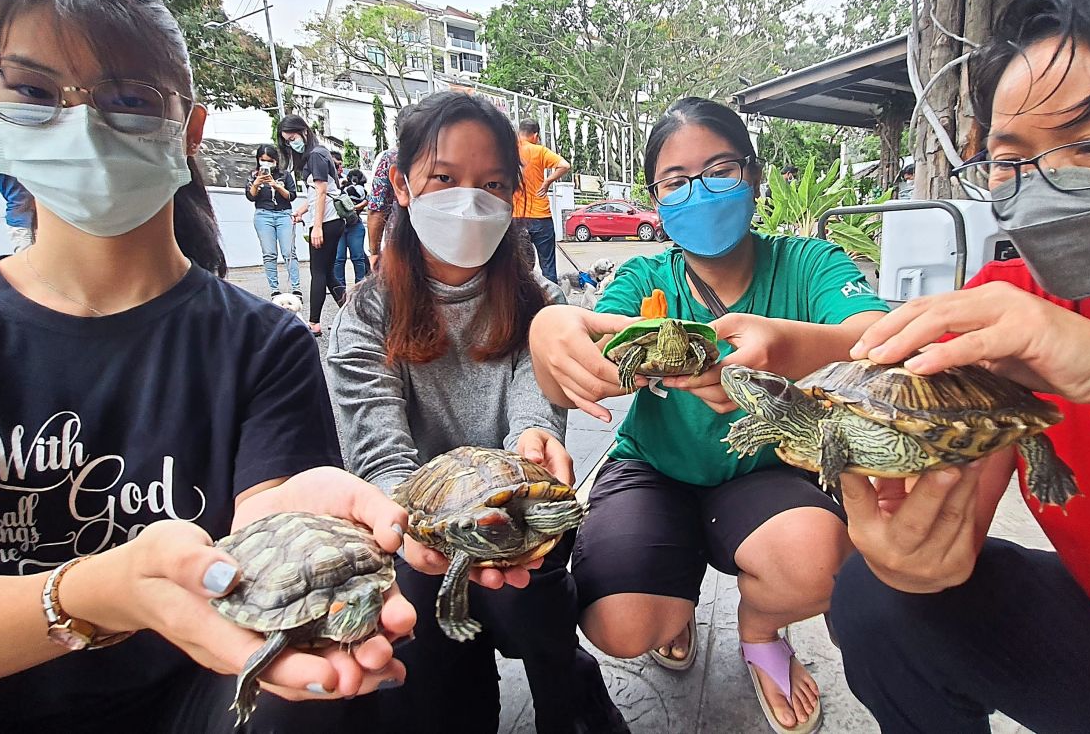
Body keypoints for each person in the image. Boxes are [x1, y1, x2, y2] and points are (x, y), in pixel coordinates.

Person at [0, 0, 416, 734]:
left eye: (127, 98)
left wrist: (291, 537)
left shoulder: (263, 341)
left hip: (199, 695)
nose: (81, 121)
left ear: (187, 126)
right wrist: (100, 589)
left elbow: (268, 518)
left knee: (333, 684)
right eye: (32, 90)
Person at [823, 0, 1090, 734]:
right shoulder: (1014, 309)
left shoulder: (1057, 337)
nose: (1048, 183)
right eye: (1012, 160)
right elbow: (945, 500)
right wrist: (915, 555)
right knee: (879, 602)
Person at [529, 97, 888, 732]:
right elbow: (588, 354)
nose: (699, 189)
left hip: (763, 467)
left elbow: (876, 338)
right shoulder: (644, 275)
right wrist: (554, 324)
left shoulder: (809, 263)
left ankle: (760, 629)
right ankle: (674, 600)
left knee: (818, 560)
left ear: (753, 174)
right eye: (676, 180)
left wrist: (789, 349)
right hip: (652, 467)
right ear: (656, 197)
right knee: (620, 623)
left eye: (721, 168)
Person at [328, 91, 625, 734]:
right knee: (435, 668)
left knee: (537, 624)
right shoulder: (366, 312)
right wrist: (412, 527)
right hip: (417, 530)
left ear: (514, 195)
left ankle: (573, 697)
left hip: (521, 511)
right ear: (403, 185)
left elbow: (534, 412)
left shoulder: (537, 298)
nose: (469, 199)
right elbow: (378, 450)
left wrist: (539, 438)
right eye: (444, 178)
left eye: (491, 183)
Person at [279, 114, 343, 336]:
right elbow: (318, 193)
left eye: (292, 137)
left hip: (327, 221)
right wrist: (302, 210)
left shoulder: (315, 155)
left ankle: (314, 323)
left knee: (318, 272)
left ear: (304, 132)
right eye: (287, 141)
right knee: (328, 273)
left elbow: (322, 191)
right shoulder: (319, 153)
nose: (291, 143)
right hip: (333, 220)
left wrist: (316, 227)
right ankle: (352, 313)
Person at [514, 119, 569, 284]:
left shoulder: (508, 151)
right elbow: (564, 165)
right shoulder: (539, 151)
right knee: (548, 266)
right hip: (541, 217)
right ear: (535, 135)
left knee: (520, 267)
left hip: (516, 218)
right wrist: (547, 182)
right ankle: (551, 305)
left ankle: (522, 303)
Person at [245, 143, 301, 297]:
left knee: (289, 252)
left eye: (270, 160)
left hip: (283, 214)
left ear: (276, 160)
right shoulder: (253, 175)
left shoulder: (284, 175)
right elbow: (250, 197)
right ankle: (274, 289)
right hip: (263, 215)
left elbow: (291, 195)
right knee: (269, 253)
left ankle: (296, 288)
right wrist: (257, 182)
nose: (266, 163)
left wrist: (275, 185)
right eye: (262, 160)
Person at [366, 104, 415, 270]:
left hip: (399, 244)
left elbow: (376, 208)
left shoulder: (392, 158)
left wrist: (374, 252)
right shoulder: (442, 155)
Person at [333, 168, 369, 288]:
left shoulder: (349, 190)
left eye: (355, 177)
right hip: (341, 226)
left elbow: (366, 201)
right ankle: (340, 289)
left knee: (357, 258)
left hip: (353, 225)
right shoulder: (347, 189)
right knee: (339, 259)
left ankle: (360, 287)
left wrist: (354, 207)